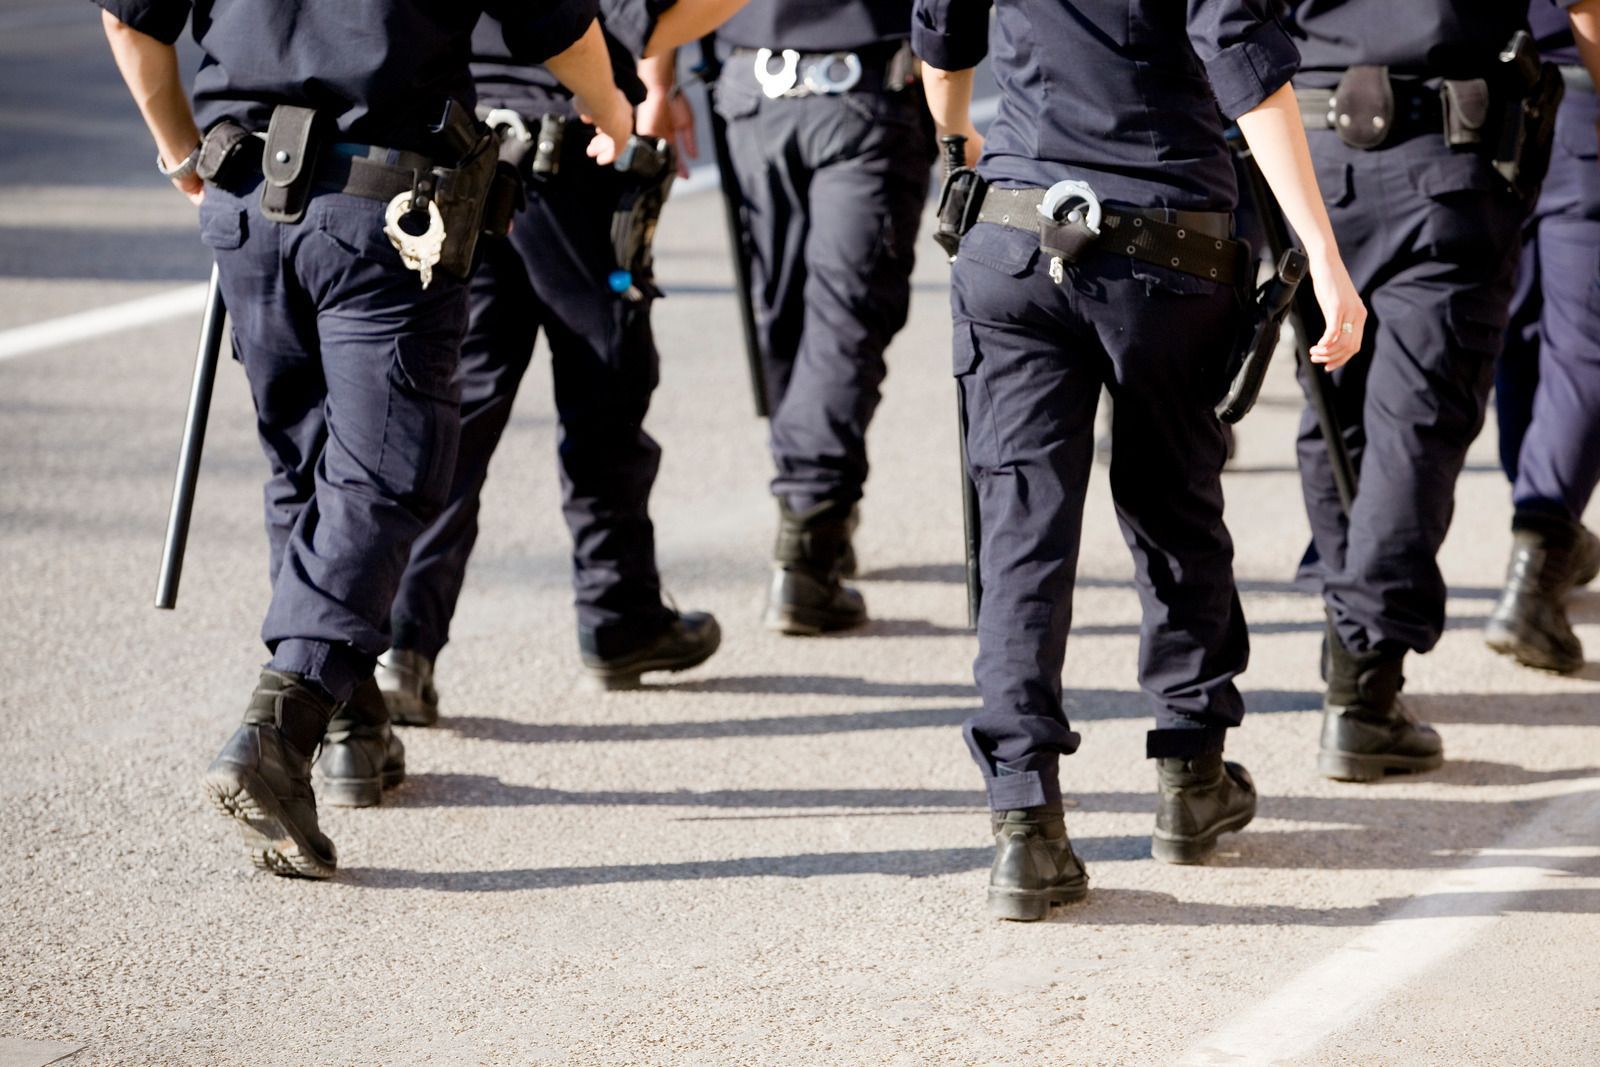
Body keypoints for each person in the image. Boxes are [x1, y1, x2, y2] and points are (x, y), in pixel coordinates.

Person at [98, 0, 632, 878]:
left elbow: (130, 22)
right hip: (386, 209)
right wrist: (608, 103)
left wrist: (181, 153)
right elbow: (555, 22)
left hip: (247, 199)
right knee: (387, 470)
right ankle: (287, 718)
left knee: (306, 467)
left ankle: (349, 729)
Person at [915, 2, 1365, 919]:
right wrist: (1319, 247)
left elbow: (941, 28)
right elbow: (1240, 54)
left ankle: (1024, 821)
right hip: (1163, 242)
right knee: (1172, 498)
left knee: (1020, 527)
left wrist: (957, 143)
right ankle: (1192, 770)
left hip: (1011, 225)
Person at [377, 1, 751, 723]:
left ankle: (400, 646)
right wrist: (638, 58)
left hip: (456, 152)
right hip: (571, 144)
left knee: (458, 404)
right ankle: (619, 616)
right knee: (604, 386)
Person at [1284, 3, 1561, 781]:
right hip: (1443, 159)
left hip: (1307, 148)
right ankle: (1363, 685)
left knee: (1336, 413)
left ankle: (1354, 641)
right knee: (1414, 420)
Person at [711, 0, 937, 635]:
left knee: (787, 317)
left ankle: (818, 509)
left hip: (752, 90)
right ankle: (810, 535)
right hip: (861, 88)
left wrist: (653, 80)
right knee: (841, 321)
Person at [1486, 1, 1600, 675]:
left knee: (1519, 334)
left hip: (1481, 107)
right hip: (1577, 91)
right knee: (1584, 346)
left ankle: (1548, 529)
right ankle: (1536, 564)